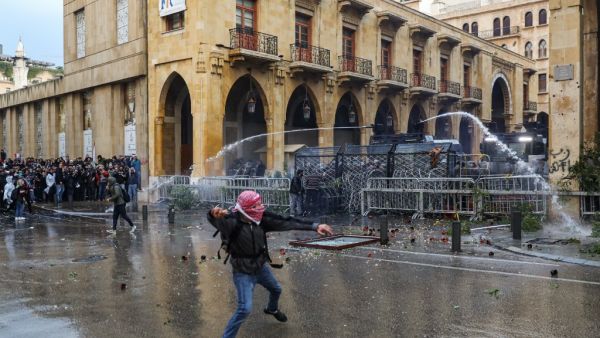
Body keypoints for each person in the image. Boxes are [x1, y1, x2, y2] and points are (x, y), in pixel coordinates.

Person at [208, 190, 333, 338]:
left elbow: (286, 221)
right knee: (244, 309)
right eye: (256, 205)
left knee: (276, 289)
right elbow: (212, 218)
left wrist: (314, 226)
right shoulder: (230, 222)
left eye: (260, 203)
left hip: (260, 267)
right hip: (243, 272)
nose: (260, 207)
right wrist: (212, 213)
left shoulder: (262, 219)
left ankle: (271, 309)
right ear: (246, 208)